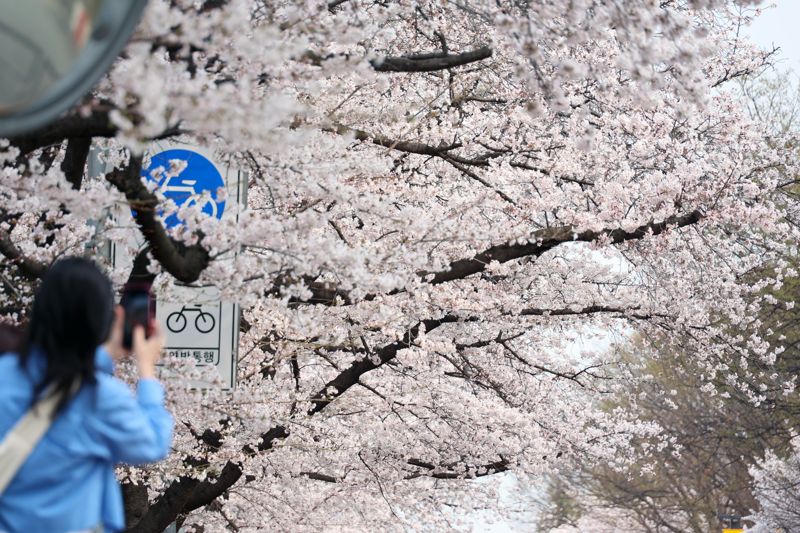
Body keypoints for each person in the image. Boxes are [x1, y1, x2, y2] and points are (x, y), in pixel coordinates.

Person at [0, 257, 173, 532]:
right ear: (106, 319)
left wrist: (107, 357)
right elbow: (152, 443)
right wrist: (146, 369)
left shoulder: (5, 376)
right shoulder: (101, 398)